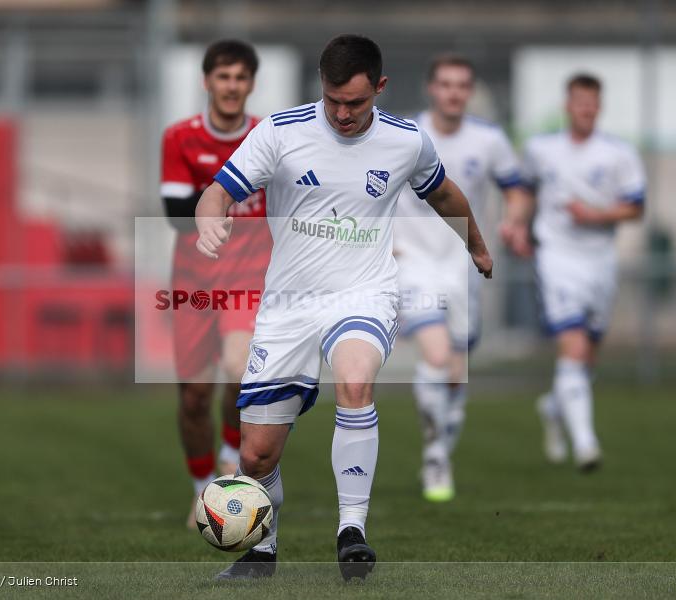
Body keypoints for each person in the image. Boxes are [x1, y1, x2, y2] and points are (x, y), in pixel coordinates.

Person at [195, 34, 493, 580]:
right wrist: (209, 216)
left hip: (365, 293)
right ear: (322, 87)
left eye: (355, 103)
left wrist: (474, 242)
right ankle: (263, 550)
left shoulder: (406, 141)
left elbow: (444, 194)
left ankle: (351, 530)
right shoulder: (281, 133)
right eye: (333, 100)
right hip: (288, 305)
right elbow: (219, 189)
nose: (342, 113)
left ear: (379, 88)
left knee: (356, 383)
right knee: (258, 455)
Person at [394, 54, 532, 502]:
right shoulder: (405, 135)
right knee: (435, 356)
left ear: (469, 92)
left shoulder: (489, 140)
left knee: (455, 375)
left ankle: (441, 445)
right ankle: (435, 455)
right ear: (431, 89)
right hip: (412, 262)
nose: (453, 92)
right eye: (445, 84)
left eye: (461, 85)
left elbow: (515, 190)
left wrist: (514, 221)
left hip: (464, 268)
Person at [160, 40, 271, 527]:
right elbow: (175, 217)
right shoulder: (179, 138)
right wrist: (220, 204)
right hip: (193, 283)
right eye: (223, 77)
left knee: (239, 367)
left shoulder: (268, 137)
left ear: (251, 84)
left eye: (241, 77)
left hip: (248, 278)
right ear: (207, 82)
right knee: (193, 398)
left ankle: (230, 458)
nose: (232, 86)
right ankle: (200, 486)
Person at [521, 73, 646, 471]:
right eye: (579, 101)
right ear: (567, 105)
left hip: (601, 261)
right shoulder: (541, 149)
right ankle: (586, 444)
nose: (586, 109)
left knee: (586, 358)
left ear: (599, 106)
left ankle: (555, 408)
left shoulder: (618, 154)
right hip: (557, 257)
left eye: (592, 102)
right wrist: (517, 227)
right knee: (572, 348)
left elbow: (636, 207)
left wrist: (596, 215)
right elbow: (523, 191)